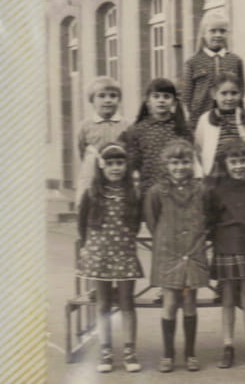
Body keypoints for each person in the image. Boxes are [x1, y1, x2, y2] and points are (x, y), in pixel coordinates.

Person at [77, 142, 142, 373]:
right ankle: (105, 351)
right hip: (100, 256)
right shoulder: (92, 193)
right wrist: (87, 248)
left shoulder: (132, 194)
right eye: (111, 163)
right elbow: (82, 224)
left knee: (127, 302)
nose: (116, 168)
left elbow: (135, 224)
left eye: (120, 163)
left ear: (126, 165)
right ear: (102, 166)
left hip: (124, 254)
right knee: (103, 303)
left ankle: (129, 352)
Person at [144, 139, 209, 372]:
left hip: (192, 251)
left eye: (184, 162)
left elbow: (208, 217)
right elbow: (152, 221)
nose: (179, 167)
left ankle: (190, 353)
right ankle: (168, 354)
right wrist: (166, 240)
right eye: (174, 162)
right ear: (166, 164)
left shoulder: (201, 190)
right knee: (170, 303)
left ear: (191, 163)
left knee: (190, 302)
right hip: (169, 254)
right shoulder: (157, 192)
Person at [205, 139, 245, 368]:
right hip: (225, 248)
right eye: (234, 161)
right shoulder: (217, 190)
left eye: (243, 160)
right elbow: (211, 221)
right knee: (228, 299)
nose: (239, 166)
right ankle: (228, 347)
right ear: (225, 163)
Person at [121, 78, 193, 196]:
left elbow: (189, 159)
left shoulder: (182, 128)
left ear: (174, 102)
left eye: (166, 97)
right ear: (148, 101)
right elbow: (133, 162)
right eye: (156, 96)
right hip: (149, 189)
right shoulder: (138, 129)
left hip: (176, 189)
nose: (161, 100)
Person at [181, 9, 245, 130]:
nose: (218, 35)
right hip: (200, 121)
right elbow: (186, 98)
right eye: (213, 31)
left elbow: (241, 91)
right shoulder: (192, 62)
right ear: (203, 33)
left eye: (222, 31)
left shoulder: (235, 60)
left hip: (230, 120)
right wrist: (190, 123)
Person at [75, 77, 129, 205]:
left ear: (119, 100)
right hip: (92, 173)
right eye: (102, 96)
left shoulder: (126, 125)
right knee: (89, 201)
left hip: (116, 174)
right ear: (92, 100)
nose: (108, 100)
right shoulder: (85, 126)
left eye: (113, 96)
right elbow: (82, 151)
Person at [194, 72, 245, 178]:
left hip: (241, 171)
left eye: (234, 93)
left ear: (241, 94)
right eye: (224, 93)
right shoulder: (205, 120)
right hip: (215, 174)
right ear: (214, 94)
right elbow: (198, 149)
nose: (229, 98)